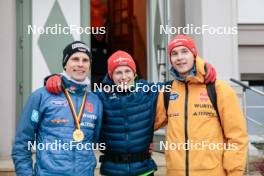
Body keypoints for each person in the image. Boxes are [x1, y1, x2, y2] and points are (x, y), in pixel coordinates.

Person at [45, 50, 216, 176]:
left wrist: (201, 68)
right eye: (118, 72)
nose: (123, 76)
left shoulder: (148, 90)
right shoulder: (99, 96)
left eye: (127, 71)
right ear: (111, 75)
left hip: (144, 169)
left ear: (134, 73)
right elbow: (77, 95)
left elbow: (182, 82)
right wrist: (56, 78)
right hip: (112, 170)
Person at [154, 35, 248, 176]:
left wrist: (234, 172)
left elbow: (237, 137)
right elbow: (147, 123)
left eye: (184, 51)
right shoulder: (167, 91)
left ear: (194, 55)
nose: (179, 57)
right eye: (174, 53)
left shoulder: (219, 89)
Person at [12, 41, 103, 176]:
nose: (80, 64)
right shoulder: (41, 96)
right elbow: (22, 141)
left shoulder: (95, 101)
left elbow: (95, 138)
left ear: (89, 66)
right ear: (65, 64)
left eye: (85, 60)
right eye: (75, 59)